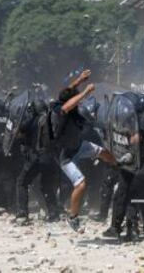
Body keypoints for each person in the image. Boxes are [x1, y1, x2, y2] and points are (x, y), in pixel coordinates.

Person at [51, 69, 117, 232]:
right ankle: (72, 218)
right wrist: (86, 92)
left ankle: (120, 169)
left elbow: (68, 92)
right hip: (67, 156)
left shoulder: (63, 99)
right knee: (81, 184)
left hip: (80, 145)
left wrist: (80, 79)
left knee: (105, 154)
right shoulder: (61, 111)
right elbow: (69, 103)